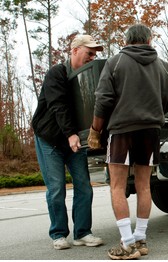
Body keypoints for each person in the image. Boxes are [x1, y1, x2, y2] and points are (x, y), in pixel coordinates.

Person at [87, 23, 168, 260]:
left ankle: (127, 244)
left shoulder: (115, 63)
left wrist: (96, 130)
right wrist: (152, 112)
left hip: (122, 130)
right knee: (144, 185)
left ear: (126, 41)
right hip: (150, 131)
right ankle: (141, 239)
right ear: (149, 40)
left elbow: (103, 100)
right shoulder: (163, 66)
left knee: (117, 185)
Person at [32, 35, 104, 250]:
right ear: (74, 51)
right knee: (56, 188)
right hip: (50, 139)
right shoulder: (57, 73)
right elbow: (58, 105)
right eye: (88, 53)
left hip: (74, 141)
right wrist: (71, 134)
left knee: (84, 187)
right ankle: (58, 234)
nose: (92, 57)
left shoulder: (87, 78)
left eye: (94, 54)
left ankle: (82, 233)